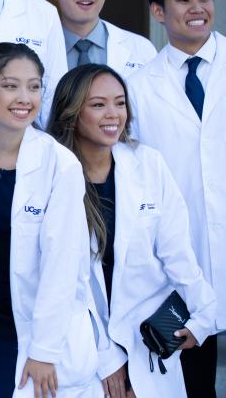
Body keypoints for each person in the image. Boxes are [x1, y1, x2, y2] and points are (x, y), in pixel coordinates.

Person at [48, 64, 217, 397]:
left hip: (147, 339)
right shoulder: (53, 173)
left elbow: (178, 254)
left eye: (120, 102)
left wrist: (203, 315)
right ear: (72, 113)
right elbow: (68, 282)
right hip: (82, 343)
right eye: (98, 105)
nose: (113, 114)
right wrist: (106, 356)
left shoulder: (148, 164)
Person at [0, 42, 100, 397]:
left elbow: (63, 263)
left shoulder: (59, 164)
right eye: (10, 85)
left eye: (34, 86)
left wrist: (44, 350)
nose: (25, 97)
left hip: (40, 329)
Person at [128, 0, 224, 398]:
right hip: (178, 265)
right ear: (158, 11)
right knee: (194, 378)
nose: (197, 8)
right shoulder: (138, 87)